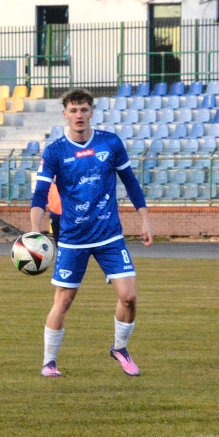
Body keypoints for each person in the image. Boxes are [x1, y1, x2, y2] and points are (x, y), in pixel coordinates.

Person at [29, 88, 153, 378]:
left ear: (91, 112)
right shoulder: (56, 151)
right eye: (73, 110)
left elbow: (131, 183)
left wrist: (144, 219)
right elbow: (40, 195)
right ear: (65, 115)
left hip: (110, 235)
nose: (79, 115)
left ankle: (120, 348)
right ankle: (49, 361)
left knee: (129, 297)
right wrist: (34, 231)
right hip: (73, 239)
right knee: (64, 301)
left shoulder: (110, 143)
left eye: (84, 109)